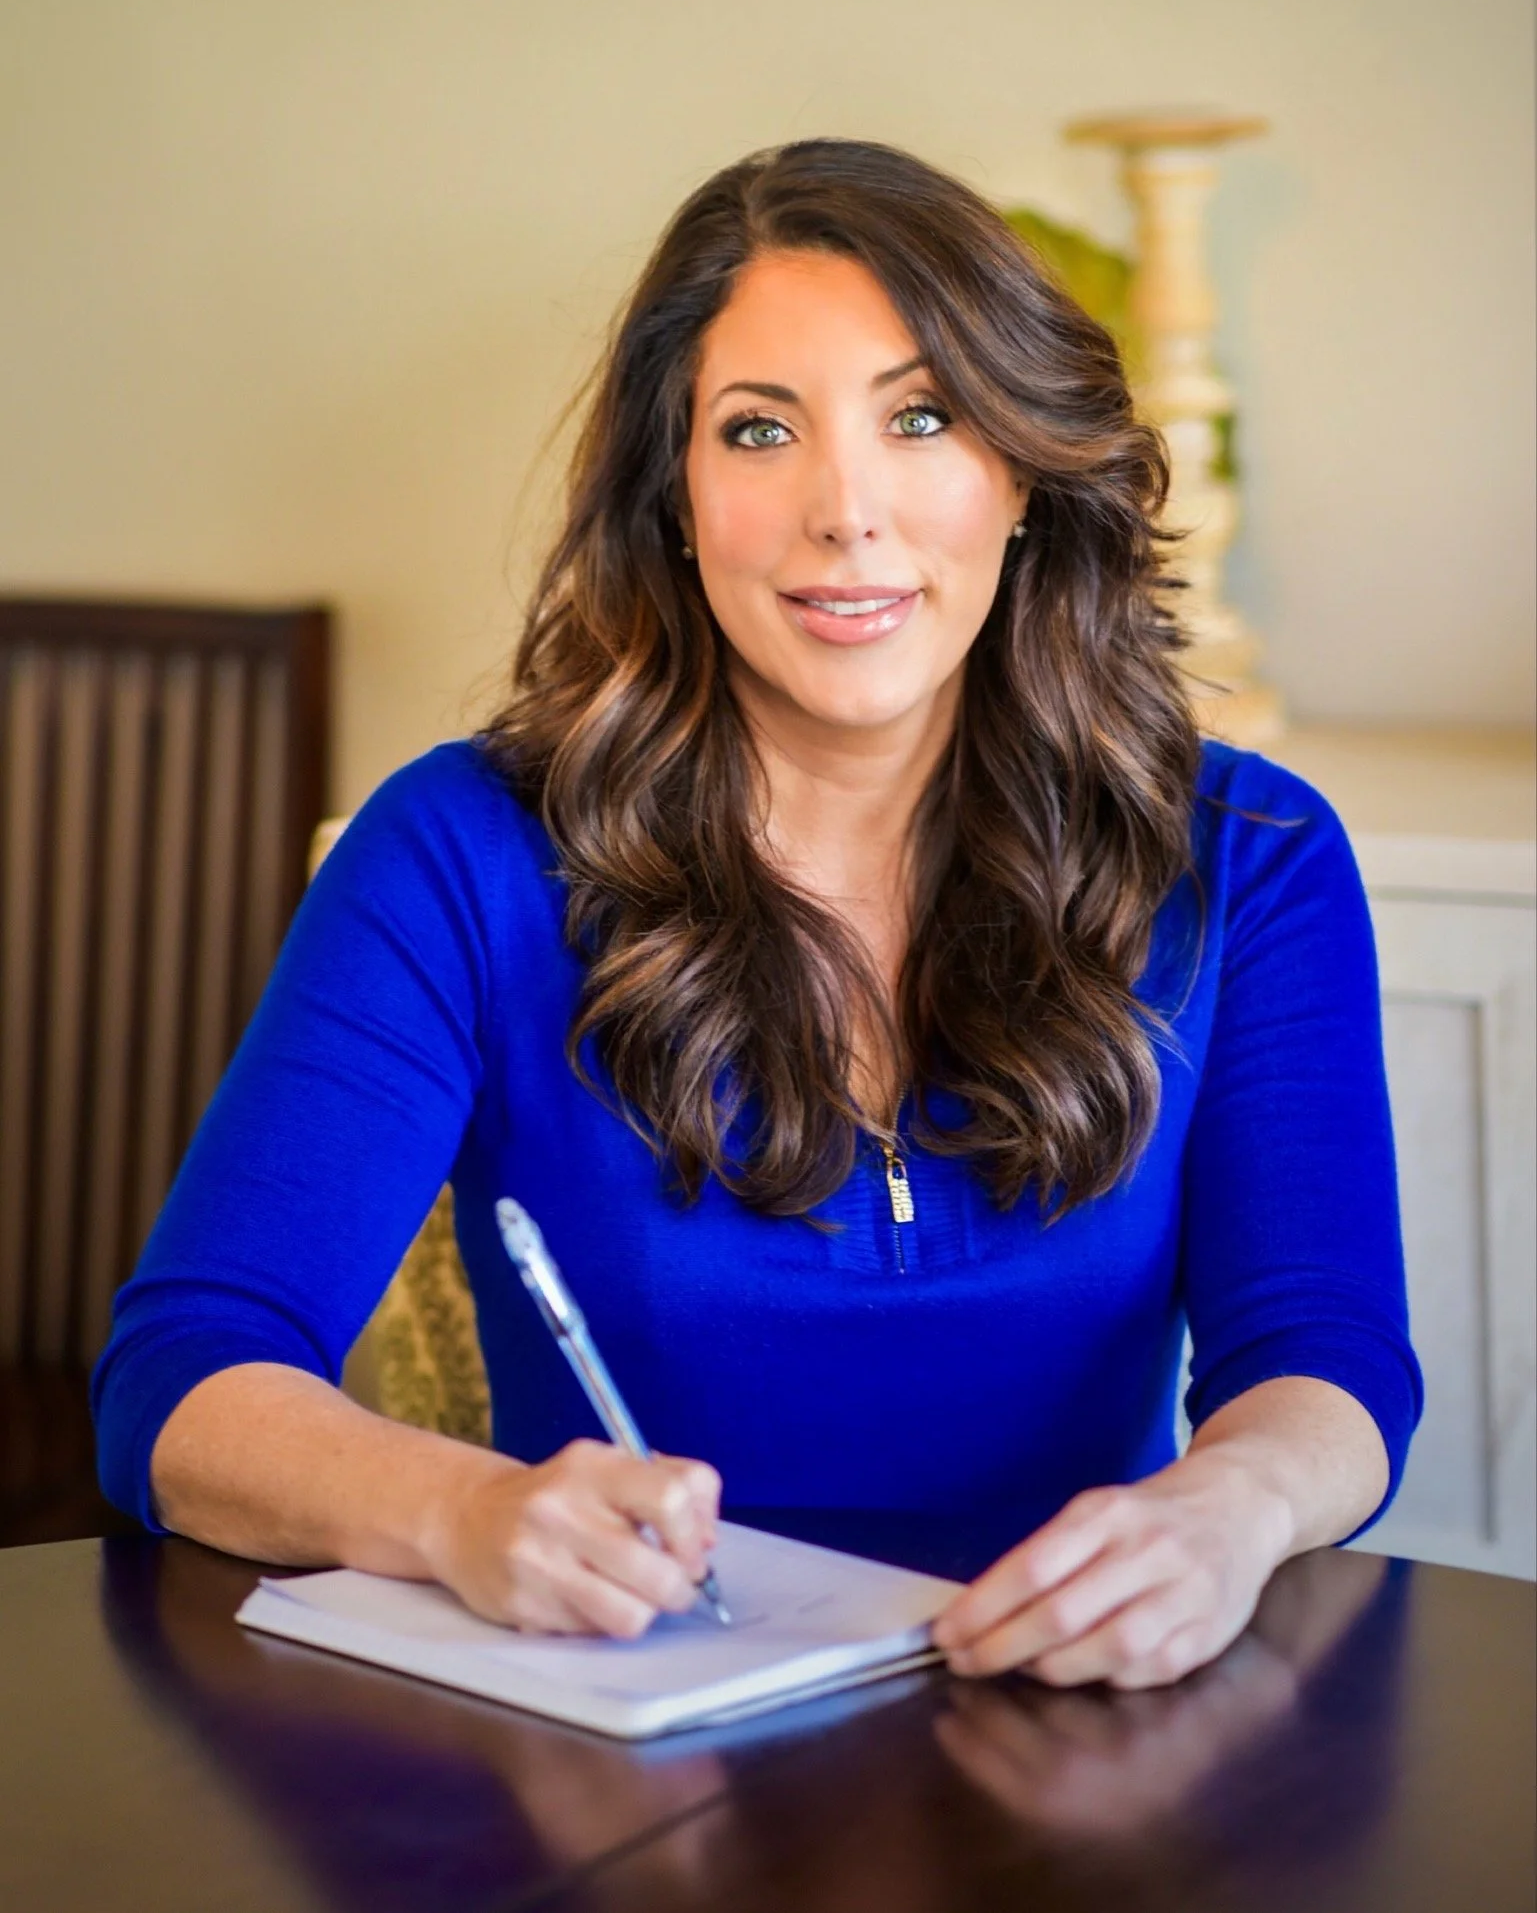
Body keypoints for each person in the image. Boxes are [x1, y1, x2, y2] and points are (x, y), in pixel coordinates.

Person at [94, 139, 1421, 1690]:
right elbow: (182, 1377)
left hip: (1090, 1735)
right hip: (626, 1760)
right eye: (758, 430)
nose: (845, 511)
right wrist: (467, 1510)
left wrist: (1230, 1509)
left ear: (1022, 475)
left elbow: (1325, 1356)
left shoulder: (1247, 857)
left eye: (921, 416)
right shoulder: (454, 856)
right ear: (674, 496)